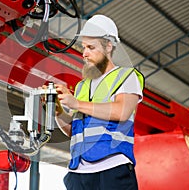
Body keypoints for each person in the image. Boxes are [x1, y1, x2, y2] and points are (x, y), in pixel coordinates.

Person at [54, 14, 144, 190]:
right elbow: (75, 131)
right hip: (78, 173)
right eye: (83, 47)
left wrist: (76, 104)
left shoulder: (126, 76)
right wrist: (57, 111)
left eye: (91, 47)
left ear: (108, 46)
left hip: (112, 169)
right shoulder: (82, 86)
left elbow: (122, 112)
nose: (84, 53)